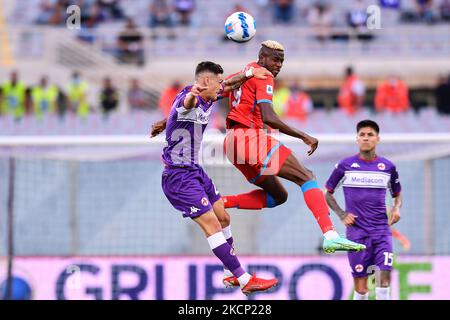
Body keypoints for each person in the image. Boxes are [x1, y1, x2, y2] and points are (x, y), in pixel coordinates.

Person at [220, 40, 365, 254]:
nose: (278, 65)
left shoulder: (244, 73)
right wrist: (303, 136)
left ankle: (219, 202)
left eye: (282, 61)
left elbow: (215, 92)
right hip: (250, 137)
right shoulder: (263, 74)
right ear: (262, 58)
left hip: (232, 144)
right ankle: (330, 235)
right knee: (306, 176)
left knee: (278, 196)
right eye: (275, 59)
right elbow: (269, 117)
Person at [156, 61, 278, 295]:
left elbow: (230, 85)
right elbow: (186, 104)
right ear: (205, 82)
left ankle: (228, 273)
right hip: (178, 177)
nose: (222, 86)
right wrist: (192, 96)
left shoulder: (208, 96)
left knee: (223, 216)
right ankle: (244, 279)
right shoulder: (189, 99)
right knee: (212, 223)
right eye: (218, 82)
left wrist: (250, 73)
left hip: (194, 170)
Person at [324, 120, 402, 300]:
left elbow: (397, 193)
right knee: (361, 287)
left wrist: (396, 208)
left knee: (384, 279)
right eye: (362, 135)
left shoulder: (388, 167)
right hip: (356, 233)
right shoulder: (345, 165)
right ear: (357, 139)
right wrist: (342, 214)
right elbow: (327, 193)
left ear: (378, 139)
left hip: (381, 231)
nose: (366, 138)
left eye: (370, 135)